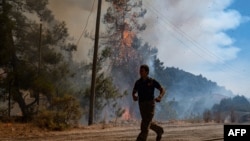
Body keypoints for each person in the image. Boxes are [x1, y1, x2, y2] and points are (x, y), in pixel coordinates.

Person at [132, 64, 165, 141]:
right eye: (140, 71)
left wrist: (160, 97)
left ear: (147, 72)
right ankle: (159, 130)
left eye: (142, 71)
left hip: (150, 104)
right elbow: (134, 92)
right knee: (147, 121)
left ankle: (141, 139)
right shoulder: (138, 82)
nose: (140, 72)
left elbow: (162, 89)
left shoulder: (152, 81)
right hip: (142, 104)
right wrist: (134, 96)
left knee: (145, 124)